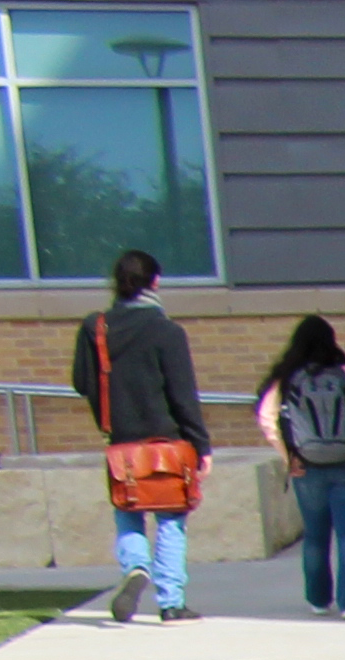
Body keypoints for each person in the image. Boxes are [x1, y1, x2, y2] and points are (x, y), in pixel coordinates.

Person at [68, 250, 211, 624]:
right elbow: (184, 394)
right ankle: (171, 601)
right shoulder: (168, 331)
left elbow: (82, 382)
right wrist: (202, 445)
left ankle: (135, 568)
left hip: (122, 444)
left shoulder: (95, 328)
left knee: (129, 513)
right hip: (167, 444)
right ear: (156, 282)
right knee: (171, 520)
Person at [252, 316, 345, 621]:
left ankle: (318, 599)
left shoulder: (287, 378)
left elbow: (267, 419)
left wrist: (290, 456)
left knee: (315, 535)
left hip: (307, 467)